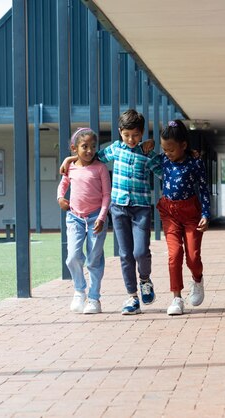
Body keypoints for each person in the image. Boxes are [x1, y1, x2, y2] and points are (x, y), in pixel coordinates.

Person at [61, 109, 162, 315]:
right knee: (125, 254)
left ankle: (144, 278)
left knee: (140, 251)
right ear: (119, 132)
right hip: (118, 209)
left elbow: (164, 171)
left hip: (141, 208)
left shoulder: (146, 153)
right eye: (126, 135)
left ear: (142, 133)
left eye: (135, 135)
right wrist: (69, 159)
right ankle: (132, 297)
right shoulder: (115, 149)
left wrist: (180, 157)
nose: (131, 139)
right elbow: (89, 157)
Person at [155, 120, 211, 315]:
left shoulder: (195, 162)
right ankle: (176, 298)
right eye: (164, 149)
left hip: (190, 213)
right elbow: (138, 157)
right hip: (169, 212)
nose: (167, 153)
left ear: (184, 146)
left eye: (171, 149)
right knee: (174, 254)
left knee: (193, 257)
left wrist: (205, 213)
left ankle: (197, 279)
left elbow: (203, 189)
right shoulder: (162, 160)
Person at [57, 128, 111, 314]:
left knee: (94, 259)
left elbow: (106, 195)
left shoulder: (100, 168)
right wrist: (60, 198)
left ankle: (94, 298)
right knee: (72, 257)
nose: (89, 150)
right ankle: (79, 290)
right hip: (75, 218)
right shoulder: (70, 167)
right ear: (74, 148)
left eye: (93, 146)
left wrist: (102, 217)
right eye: (84, 146)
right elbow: (63, 184)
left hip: (97, 218)